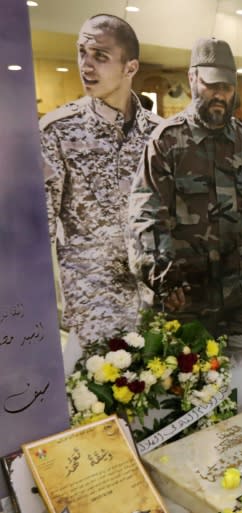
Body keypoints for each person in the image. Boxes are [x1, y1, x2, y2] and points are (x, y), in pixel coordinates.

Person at [128, 37, 242, 364]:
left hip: (239, 297)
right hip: (184, 302)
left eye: (227, 87)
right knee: (188, 398)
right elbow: (145, 219)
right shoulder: (167, 142)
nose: (220, 95)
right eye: (212, 85)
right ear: (192, 79)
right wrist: (164, 280)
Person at [40, 14, 162, 348]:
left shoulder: (160, 135)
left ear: (130, 68)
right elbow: (36, 237)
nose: (86, 65)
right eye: (82, 53)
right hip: (92, 318)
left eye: (100, 56)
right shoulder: (58, 131)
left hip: (153, 311)